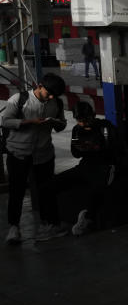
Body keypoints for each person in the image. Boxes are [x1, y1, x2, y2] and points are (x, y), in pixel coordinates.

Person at [2, 73, 68, 244]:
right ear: (39, 86)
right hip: (18, 153)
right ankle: (14, 227)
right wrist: (28, 122)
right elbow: (6, 121)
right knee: (17, 190)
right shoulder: (19, 99)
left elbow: (61, 124)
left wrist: (55, 123)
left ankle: (51, 224)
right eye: (49, 93)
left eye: (55, 95)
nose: (51, 97)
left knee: (46, 190)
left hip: (43, 154)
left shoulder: (56, 103)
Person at [54, 101, 121, 236]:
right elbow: (75, 153)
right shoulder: (77, 130)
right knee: (55, 183)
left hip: (105, 165)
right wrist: (83, 148)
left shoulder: (105, 127)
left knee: (97, 187)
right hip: (86, 164)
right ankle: (52, 221)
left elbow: (115, 149)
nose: (84, 124)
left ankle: (87, 218)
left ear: (94, 115)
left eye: (86, 120)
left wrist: (97, 147)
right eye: (80, 121)